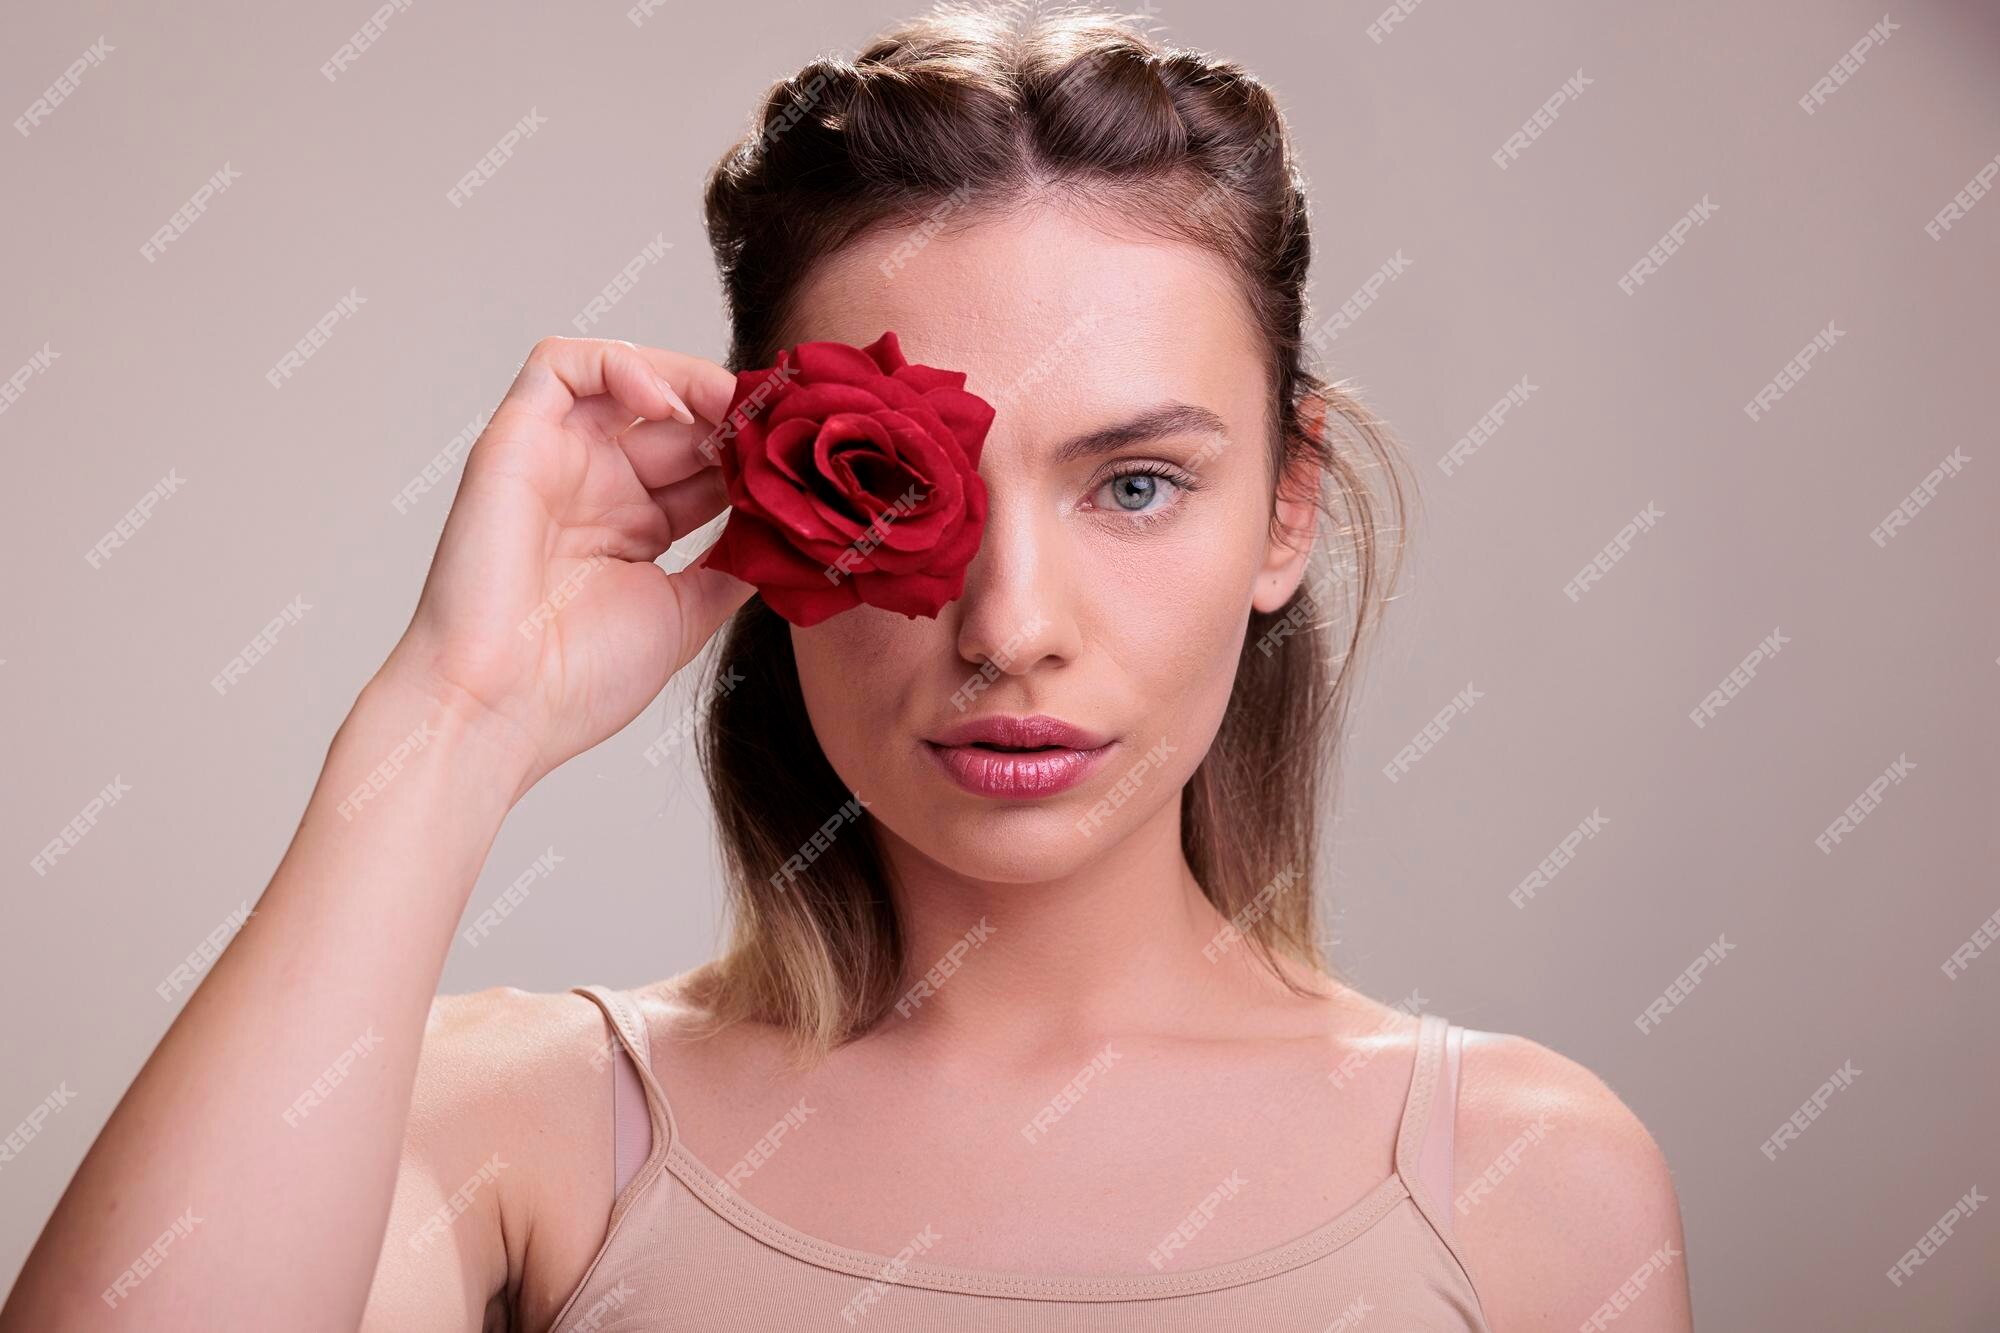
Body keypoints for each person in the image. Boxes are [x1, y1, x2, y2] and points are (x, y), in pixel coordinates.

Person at [0, 8, 1691, 1330]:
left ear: (1285, 508)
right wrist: (455, 719)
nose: (1013, 622)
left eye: (1136, 483)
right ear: (768, 498)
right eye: (907, 486)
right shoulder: (519, 1129)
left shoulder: (1532, 1181)